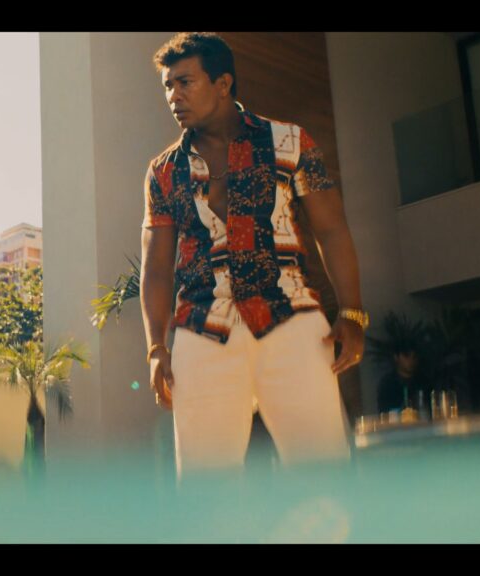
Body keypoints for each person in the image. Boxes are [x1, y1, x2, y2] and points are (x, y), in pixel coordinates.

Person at [140, 33, 367, 475]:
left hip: (292, 321)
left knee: (324, 475)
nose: (173, 96)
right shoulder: (163, 171)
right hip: (202, 331)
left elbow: (332, 229)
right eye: (168, 86)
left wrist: (353, 314)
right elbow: (157, 269)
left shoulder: (291, 142)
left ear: (223, 84)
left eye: (185, 82)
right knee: (206, 490)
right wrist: (155, 348)